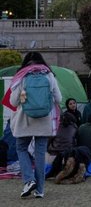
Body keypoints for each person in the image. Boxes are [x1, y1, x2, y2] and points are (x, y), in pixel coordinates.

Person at [7, 51, 62, 199]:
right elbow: (59, 98)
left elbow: (13, 102)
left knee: (21, 147)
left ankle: (29, 180)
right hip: (43, 121)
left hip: (24, 120)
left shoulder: (21, 76)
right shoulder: (49, 75)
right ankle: (40, 190)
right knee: (39, 154)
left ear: (26, 62)